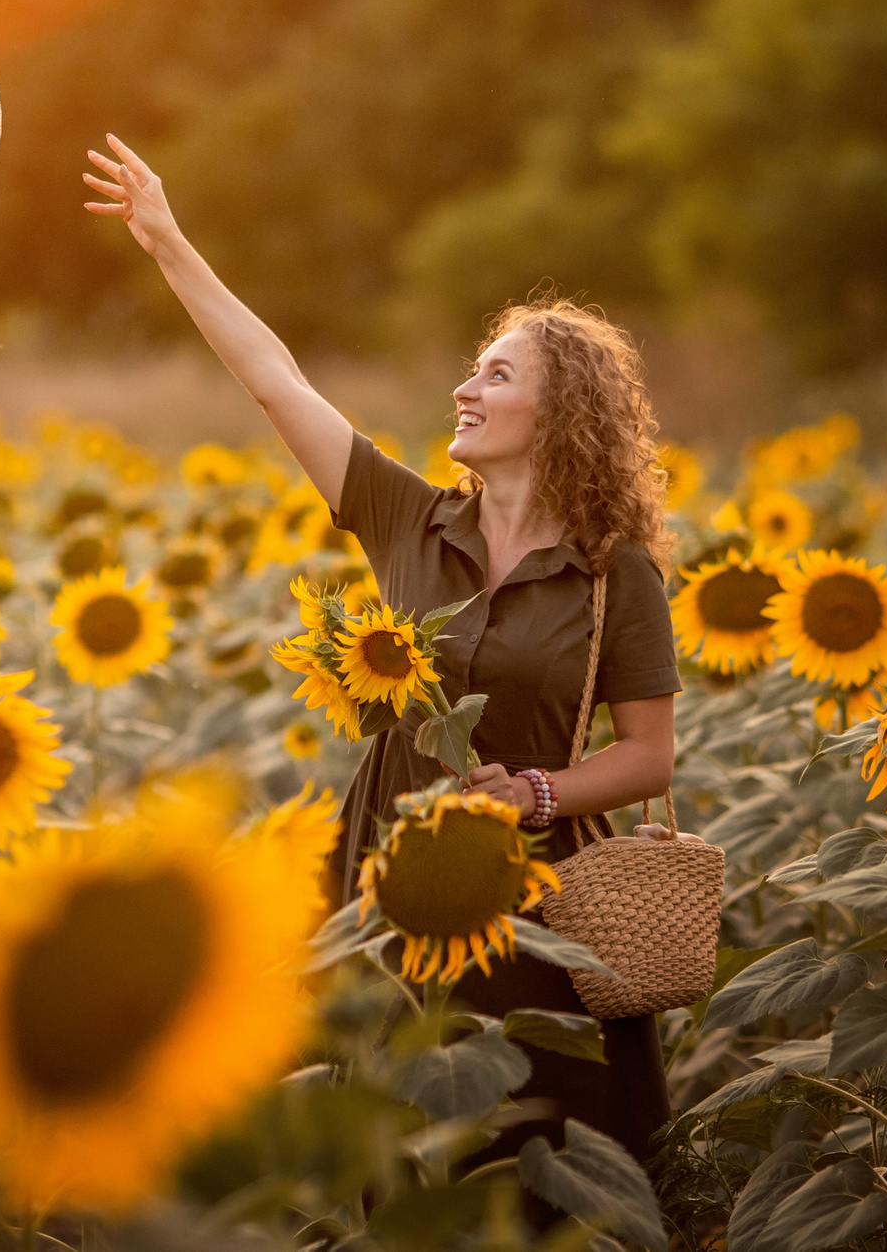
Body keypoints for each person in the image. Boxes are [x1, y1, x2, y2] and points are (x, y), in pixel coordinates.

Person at [84, 134, 683, 1160]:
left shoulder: (612, 572)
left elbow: (648, 756)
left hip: (535, 905)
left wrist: (533, 792)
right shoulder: (407, 518)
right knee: (393, 1136)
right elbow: (275, 380)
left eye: (495, 374)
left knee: (537, 1149)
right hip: (384, 873)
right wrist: (167, 240)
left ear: (559, 413)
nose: (465, 389)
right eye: (471, 369)